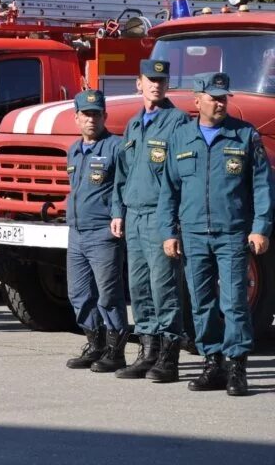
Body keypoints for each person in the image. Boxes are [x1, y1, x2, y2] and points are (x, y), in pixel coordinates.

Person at [159, 72, 272, 396]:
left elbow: (263, 187)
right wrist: (169, 232)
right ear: (197, 101)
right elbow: (169, 190)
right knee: (201, 303)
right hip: (193, 234)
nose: (220, 103)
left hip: (232, 233)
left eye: (224, 97)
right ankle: (213, 364)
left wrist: (261, 227)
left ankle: (237, 367)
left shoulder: (245, 136)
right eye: (213, 97)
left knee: (235, 302)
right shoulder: (181, 139)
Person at [111, 59, 189, 383]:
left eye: (162, 79)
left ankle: (168, 358)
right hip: (135, 216)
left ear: (167, 84)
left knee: (164, 287)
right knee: (140, 288)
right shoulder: (133, 125)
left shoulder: (178, 122)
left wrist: (175, 223)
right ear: (138, 83)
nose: (156, 84)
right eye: (150, 79)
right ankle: (147, 352)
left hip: (160, 216)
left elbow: (184, 176)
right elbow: (122, 173)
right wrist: (118, 211)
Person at [64, 90, 129, 372]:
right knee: (78, 293)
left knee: (108, 295)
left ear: (105, 116)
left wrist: (118, 215)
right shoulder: (74, 150)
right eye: (86, 114)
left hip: (103, 233)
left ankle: (116, 351)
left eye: (96, 114)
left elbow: (122, 186)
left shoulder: (116, 147)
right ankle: (95, 344)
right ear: (76, 117)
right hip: (76, 232)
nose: (91, 119)